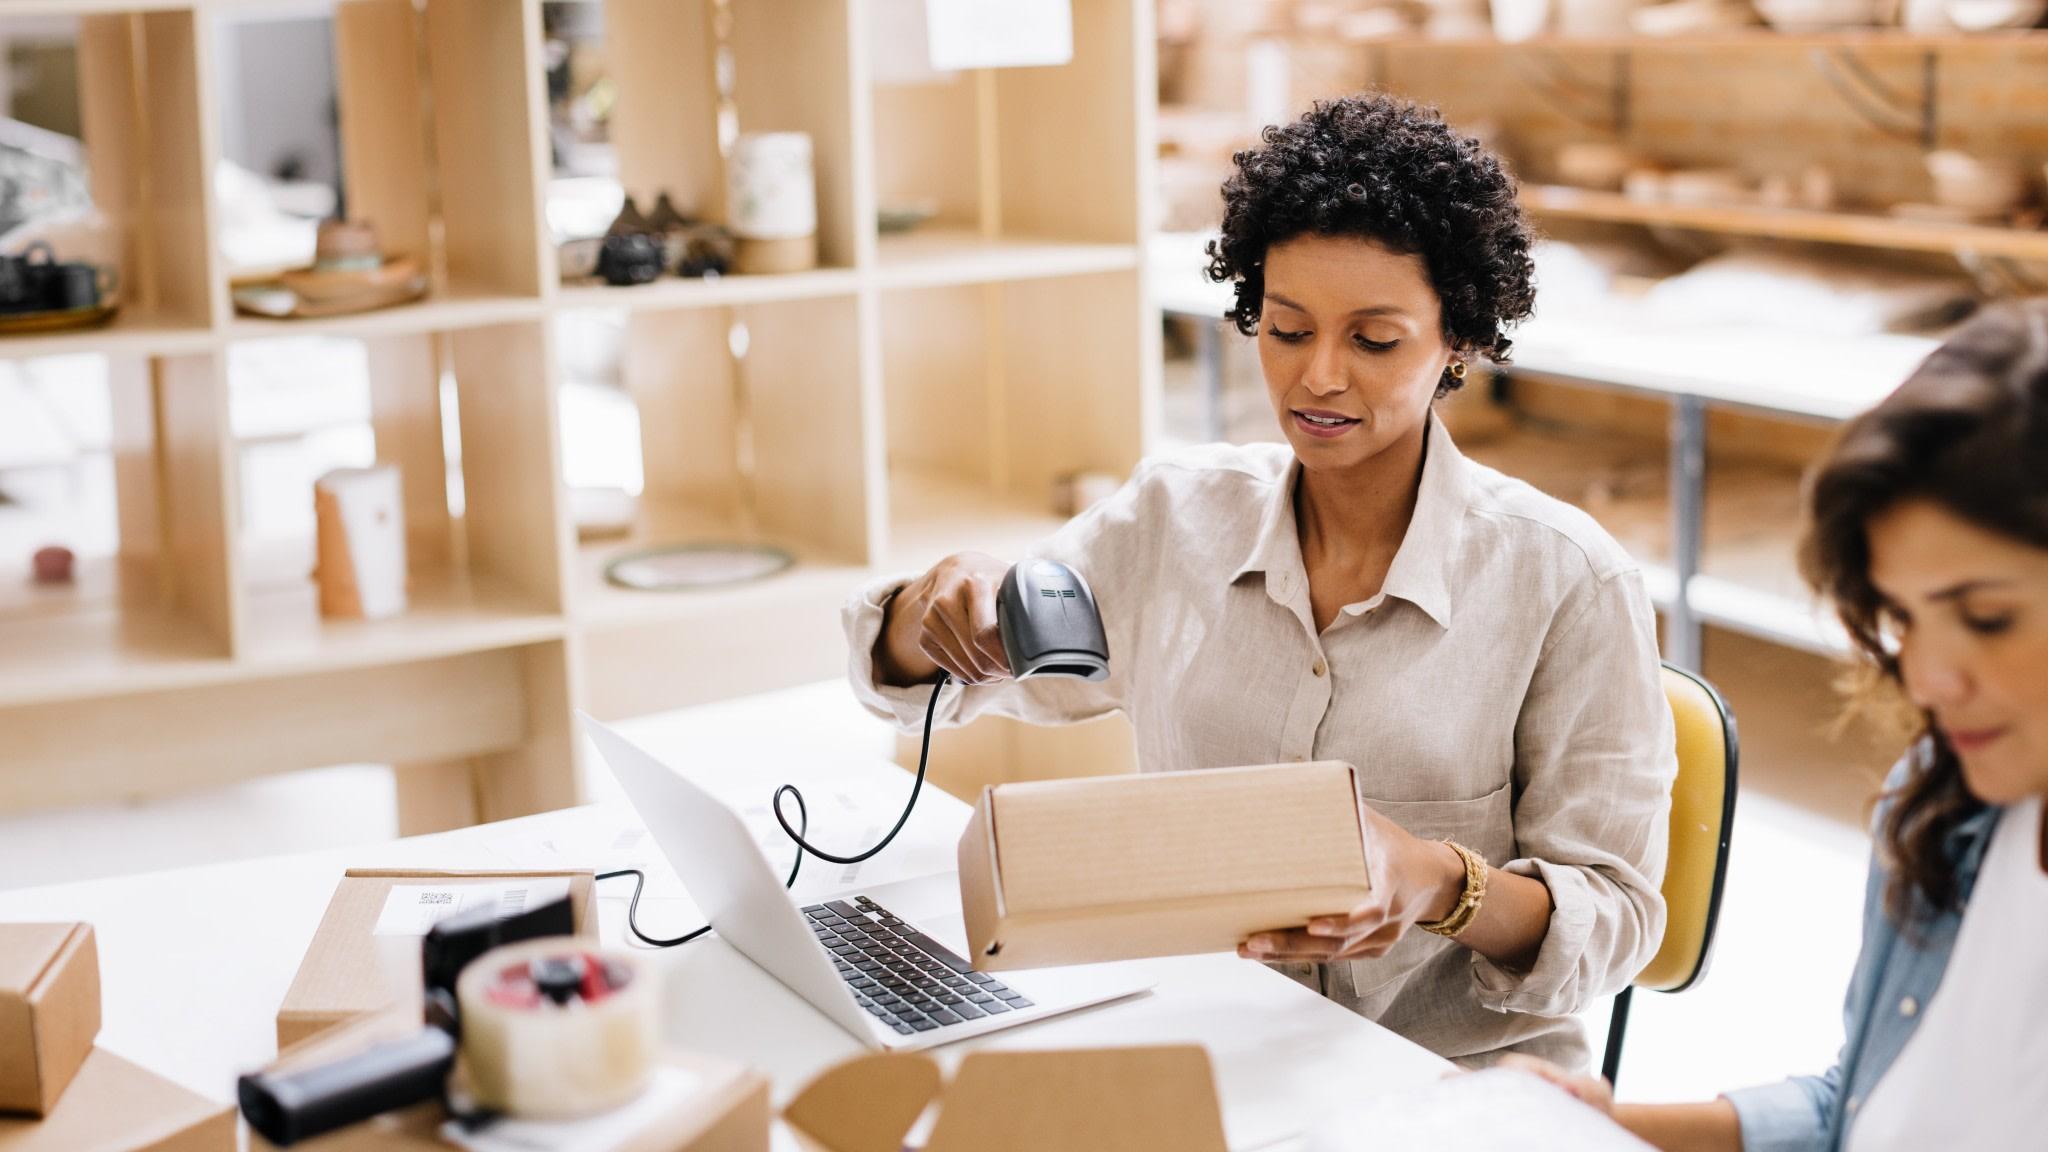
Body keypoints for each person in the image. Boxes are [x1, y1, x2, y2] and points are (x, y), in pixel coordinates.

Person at [843, 94, 1675, 1068]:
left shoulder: (1565, 581)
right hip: (1209, 1042)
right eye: (1285, 330)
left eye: (1372, 340)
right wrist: (932, 608)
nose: (1318, 376)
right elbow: (933, 676)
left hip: (1450, 1079)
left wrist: (1438, 884)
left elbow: (1617, 919)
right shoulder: (1172, 518)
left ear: (1456, 338)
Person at [1507, 300, 2048, 1148]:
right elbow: (1865, 1108)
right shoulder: (1948, 803)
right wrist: (1608, 1130)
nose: (1926, 679)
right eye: (1904, 618)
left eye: (1984, 617)